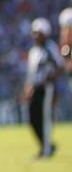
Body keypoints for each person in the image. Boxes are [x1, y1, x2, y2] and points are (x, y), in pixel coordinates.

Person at [24, 18, 62, 159]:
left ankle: (46, 150)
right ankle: (46, 145)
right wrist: (28, 88)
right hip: (35, 88)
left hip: (46, 88)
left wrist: (49, 79)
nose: (35, 36)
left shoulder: (50, 47)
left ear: (45, 33)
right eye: (34, 33)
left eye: (38, 33)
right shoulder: (34, 51)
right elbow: (31, 73)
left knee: (45, 118)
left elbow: (60, 66)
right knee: (33, 118)